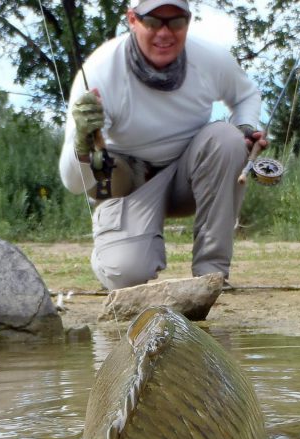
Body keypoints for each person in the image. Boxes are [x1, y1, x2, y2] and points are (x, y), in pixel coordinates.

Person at [59, 0, 266, 290]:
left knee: (228, 139)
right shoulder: (100, 71)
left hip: (187, 177)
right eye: (153, 21)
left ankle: (212, 275)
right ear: (132, 19)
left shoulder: (209, 58)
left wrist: (246, 127)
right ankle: (109, 251)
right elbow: (73, 183)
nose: (165, 33)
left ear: (188, 21)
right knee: (127, 274)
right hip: (128, 181)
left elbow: (247, 96)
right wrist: (80, 140)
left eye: (176, 21)